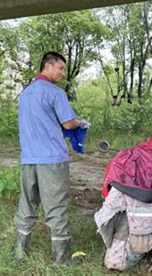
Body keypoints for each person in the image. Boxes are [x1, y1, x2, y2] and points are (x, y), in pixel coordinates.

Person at [12, 52, 89, 267]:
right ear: (48, 66)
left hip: (28, 158)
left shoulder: (25, 94)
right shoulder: (55, 93)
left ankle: (20, 250)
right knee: (56, 206)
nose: (63, 73)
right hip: (51, 159)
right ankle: (61, 259)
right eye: (60, 68)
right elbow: (67, 123)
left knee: (27, 203)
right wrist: (81, 122)